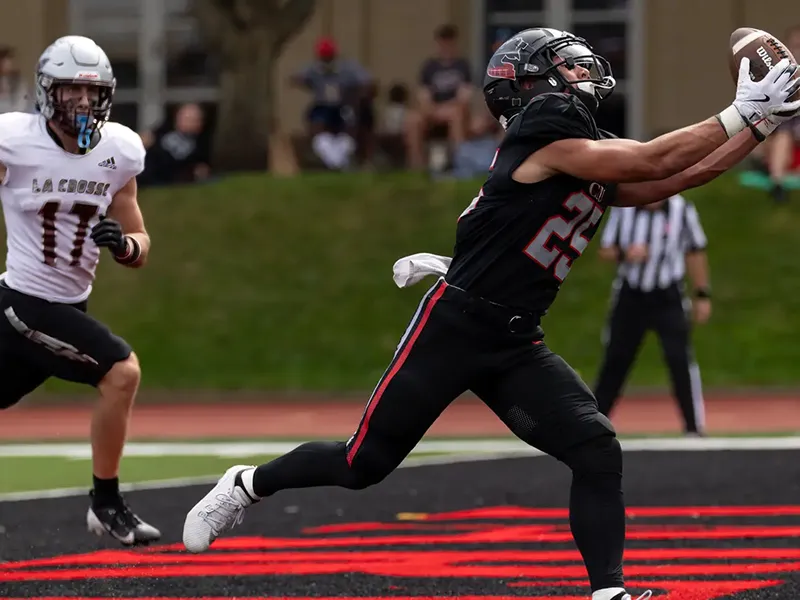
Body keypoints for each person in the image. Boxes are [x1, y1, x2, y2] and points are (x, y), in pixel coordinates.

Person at [182, 27, 800, 600]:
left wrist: (759, 127)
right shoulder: (545, 126)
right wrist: (738, 113)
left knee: (595, 449)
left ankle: (608, 591)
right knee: (361, 464)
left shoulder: (577, 147)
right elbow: (649, 162)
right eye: (566, 64)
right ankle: (246, 484)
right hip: (456, 325)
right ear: (531, 84)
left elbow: (669, 181)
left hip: (513, 337)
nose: (584, 71)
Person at [0, 35, 160, 546]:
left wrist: (126, 245)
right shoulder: (13, 140)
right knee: (121, 372)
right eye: (71, 92)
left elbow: (139, 240)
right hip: (25, 302)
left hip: (66, 304)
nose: (83, 103)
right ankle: (106, 502)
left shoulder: (119, 149)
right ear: (48, 92)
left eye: (92, 94)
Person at [594, 195, 711, 436]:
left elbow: (695, 250)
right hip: (631, 295)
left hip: (668, 295)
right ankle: (593, 425)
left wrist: (702, 293)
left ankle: (693, 428)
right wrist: (626, 254)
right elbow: (605, 251)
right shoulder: (623, 209)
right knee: (615, 360)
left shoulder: (682, 208)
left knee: (680, 359)